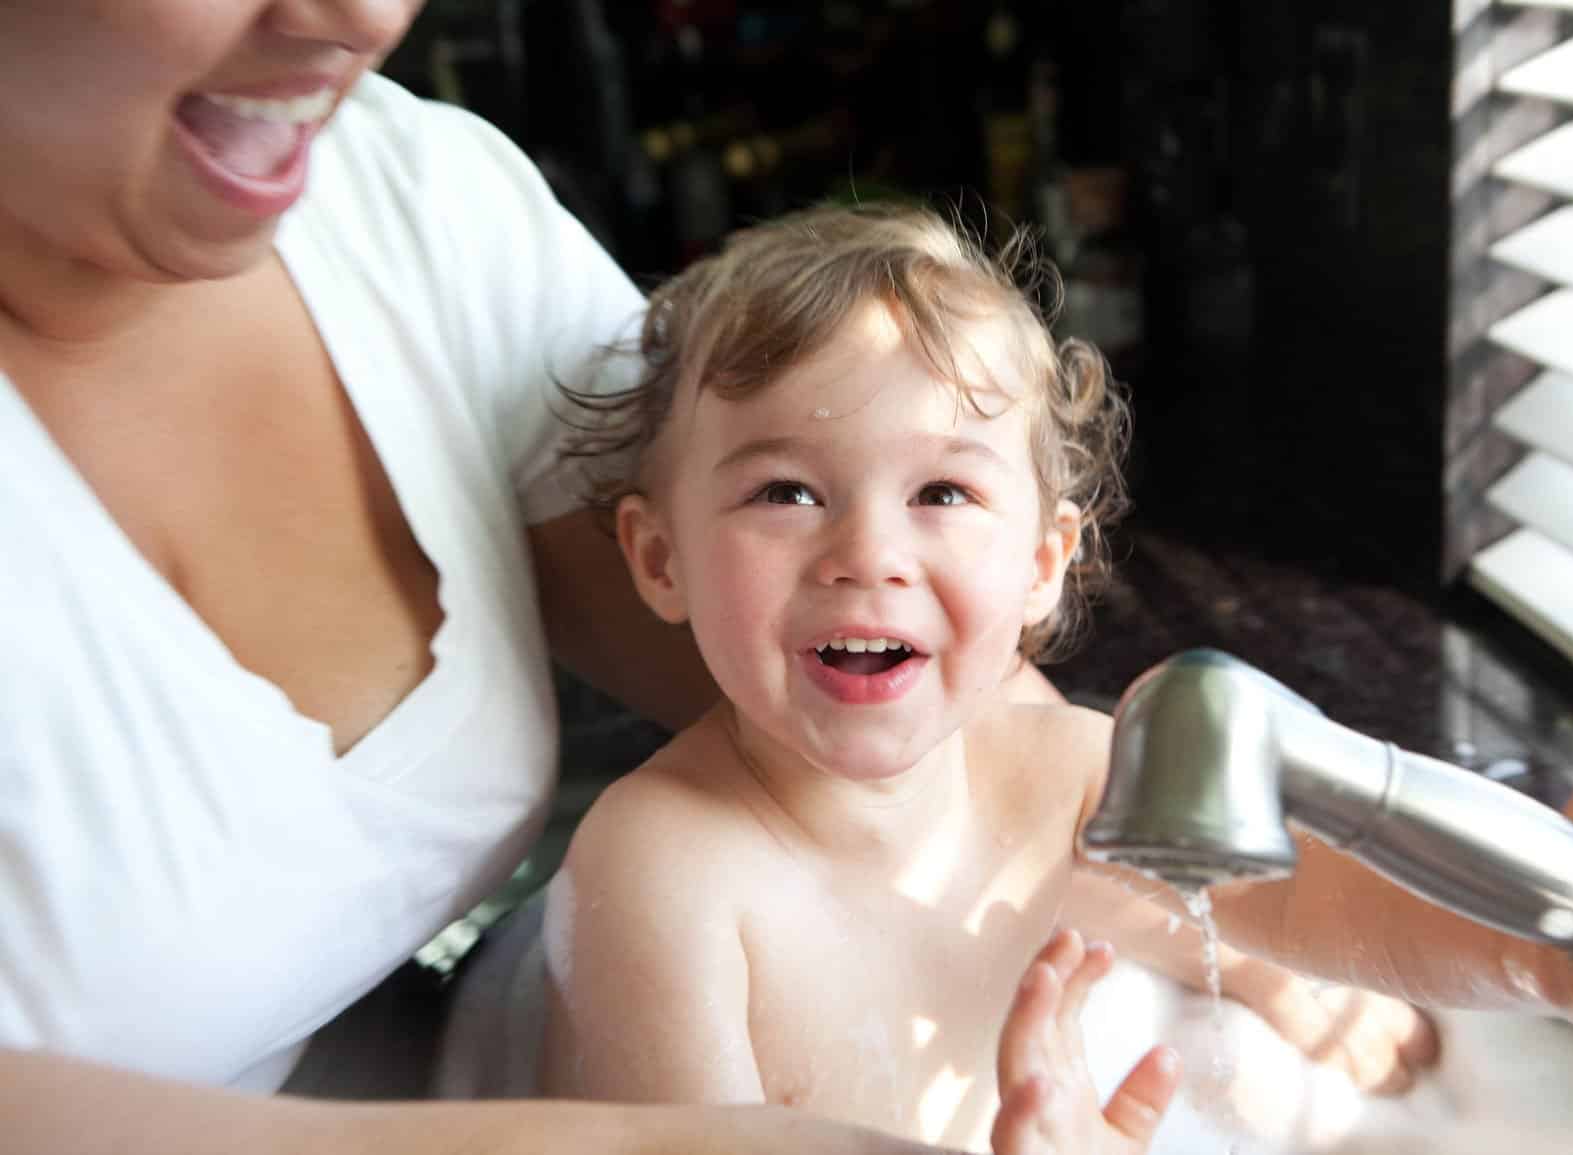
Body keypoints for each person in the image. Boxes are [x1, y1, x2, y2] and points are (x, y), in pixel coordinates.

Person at [0, 3, 1087, 1153]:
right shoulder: (657, 870)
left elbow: (931, 728)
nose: (360, 16)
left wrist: (1204, 945)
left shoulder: (405, 202)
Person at [537, 202, 1573, 1151]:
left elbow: (1314, 903)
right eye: (783, 491)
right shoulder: (664, 870)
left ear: (1045, 563)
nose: (867, 556)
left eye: (942, 492)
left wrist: (1539, 947)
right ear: (658, 557)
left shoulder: (1049, 771)